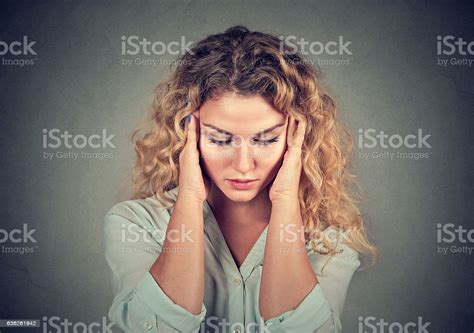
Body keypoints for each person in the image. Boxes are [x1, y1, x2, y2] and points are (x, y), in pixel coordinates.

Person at [103, 25, 377, 333]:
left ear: (298, 137)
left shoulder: (331, 237)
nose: (244, 165)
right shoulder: (135, 224)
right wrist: (190, 198)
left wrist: (286, 199)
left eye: (266, 140)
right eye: (220, 140)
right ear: (186, 134)